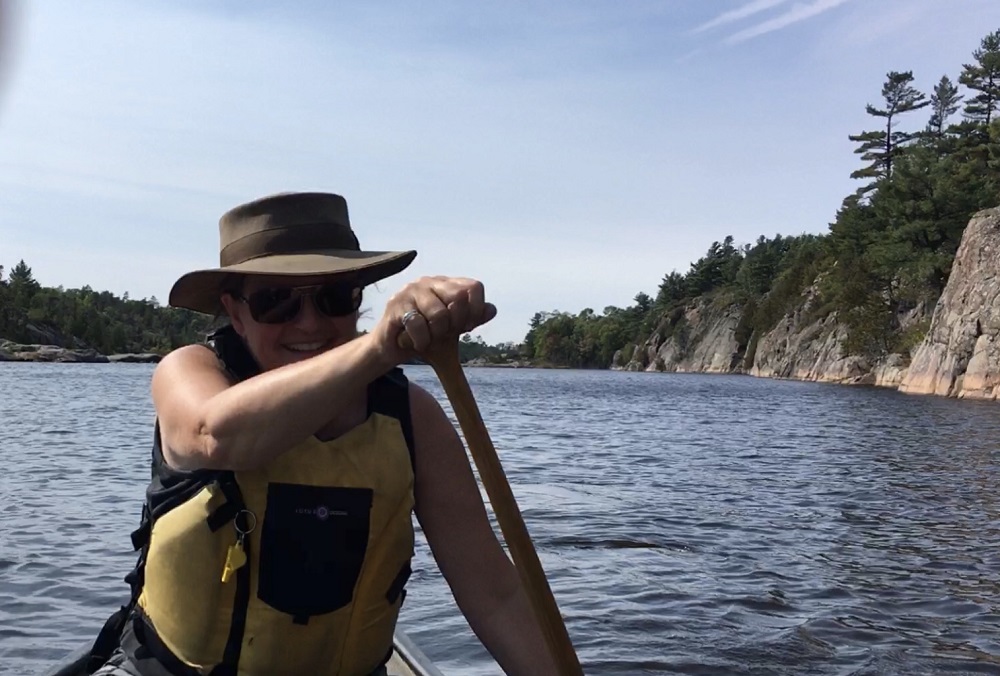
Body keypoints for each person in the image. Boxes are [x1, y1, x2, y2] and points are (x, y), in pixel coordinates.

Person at [85, 191, 558, 676]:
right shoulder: (189, 371)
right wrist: (377, 348)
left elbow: (495, 595)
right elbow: (214, 437)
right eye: (276, 302)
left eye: (335, 297)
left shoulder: (411, 417)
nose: (309, 323)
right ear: (235, 310)